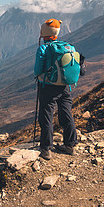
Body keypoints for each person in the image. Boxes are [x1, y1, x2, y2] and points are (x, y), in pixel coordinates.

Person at [34, 19, 77, 160]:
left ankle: (46, 149)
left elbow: (38, 70)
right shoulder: (67, 47)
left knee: (46, 116)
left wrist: (40, 76)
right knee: (66, 114)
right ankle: (70, 145)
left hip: (48, 87)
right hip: (65, 86)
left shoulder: (43, 48)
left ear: (44, 34)